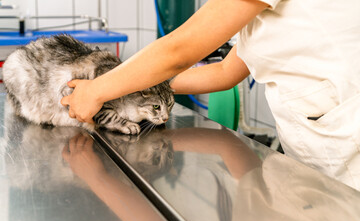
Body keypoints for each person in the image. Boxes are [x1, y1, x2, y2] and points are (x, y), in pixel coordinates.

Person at [61, 0, 360, 168]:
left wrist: (100, 89)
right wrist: (138, 89)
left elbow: (180, 51)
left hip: (346, 147)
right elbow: (226, 72)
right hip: (319, 149)